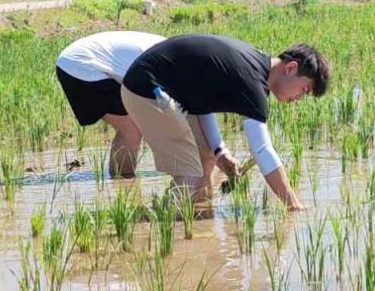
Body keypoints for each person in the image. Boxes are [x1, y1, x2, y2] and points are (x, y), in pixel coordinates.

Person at [121, 35, 330, 210]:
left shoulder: (254, 65)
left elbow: (202, 106)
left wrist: (219, 152)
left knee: (206, 157)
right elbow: (263, 150)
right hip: (147, 89)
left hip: (156, 86)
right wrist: (293, 204)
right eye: (304, 90)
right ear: (291, 68)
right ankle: (160, 228)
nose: (298, 99)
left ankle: (199, 217)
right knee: (190, 173)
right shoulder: (252, 82)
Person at [56, 31, 165, 178]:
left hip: (82, 60)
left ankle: (121, 180)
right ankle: (123, 181)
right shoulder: (173, 63)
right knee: (132, 127)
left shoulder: (177, 54)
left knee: (134, 124)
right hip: (81, 64)